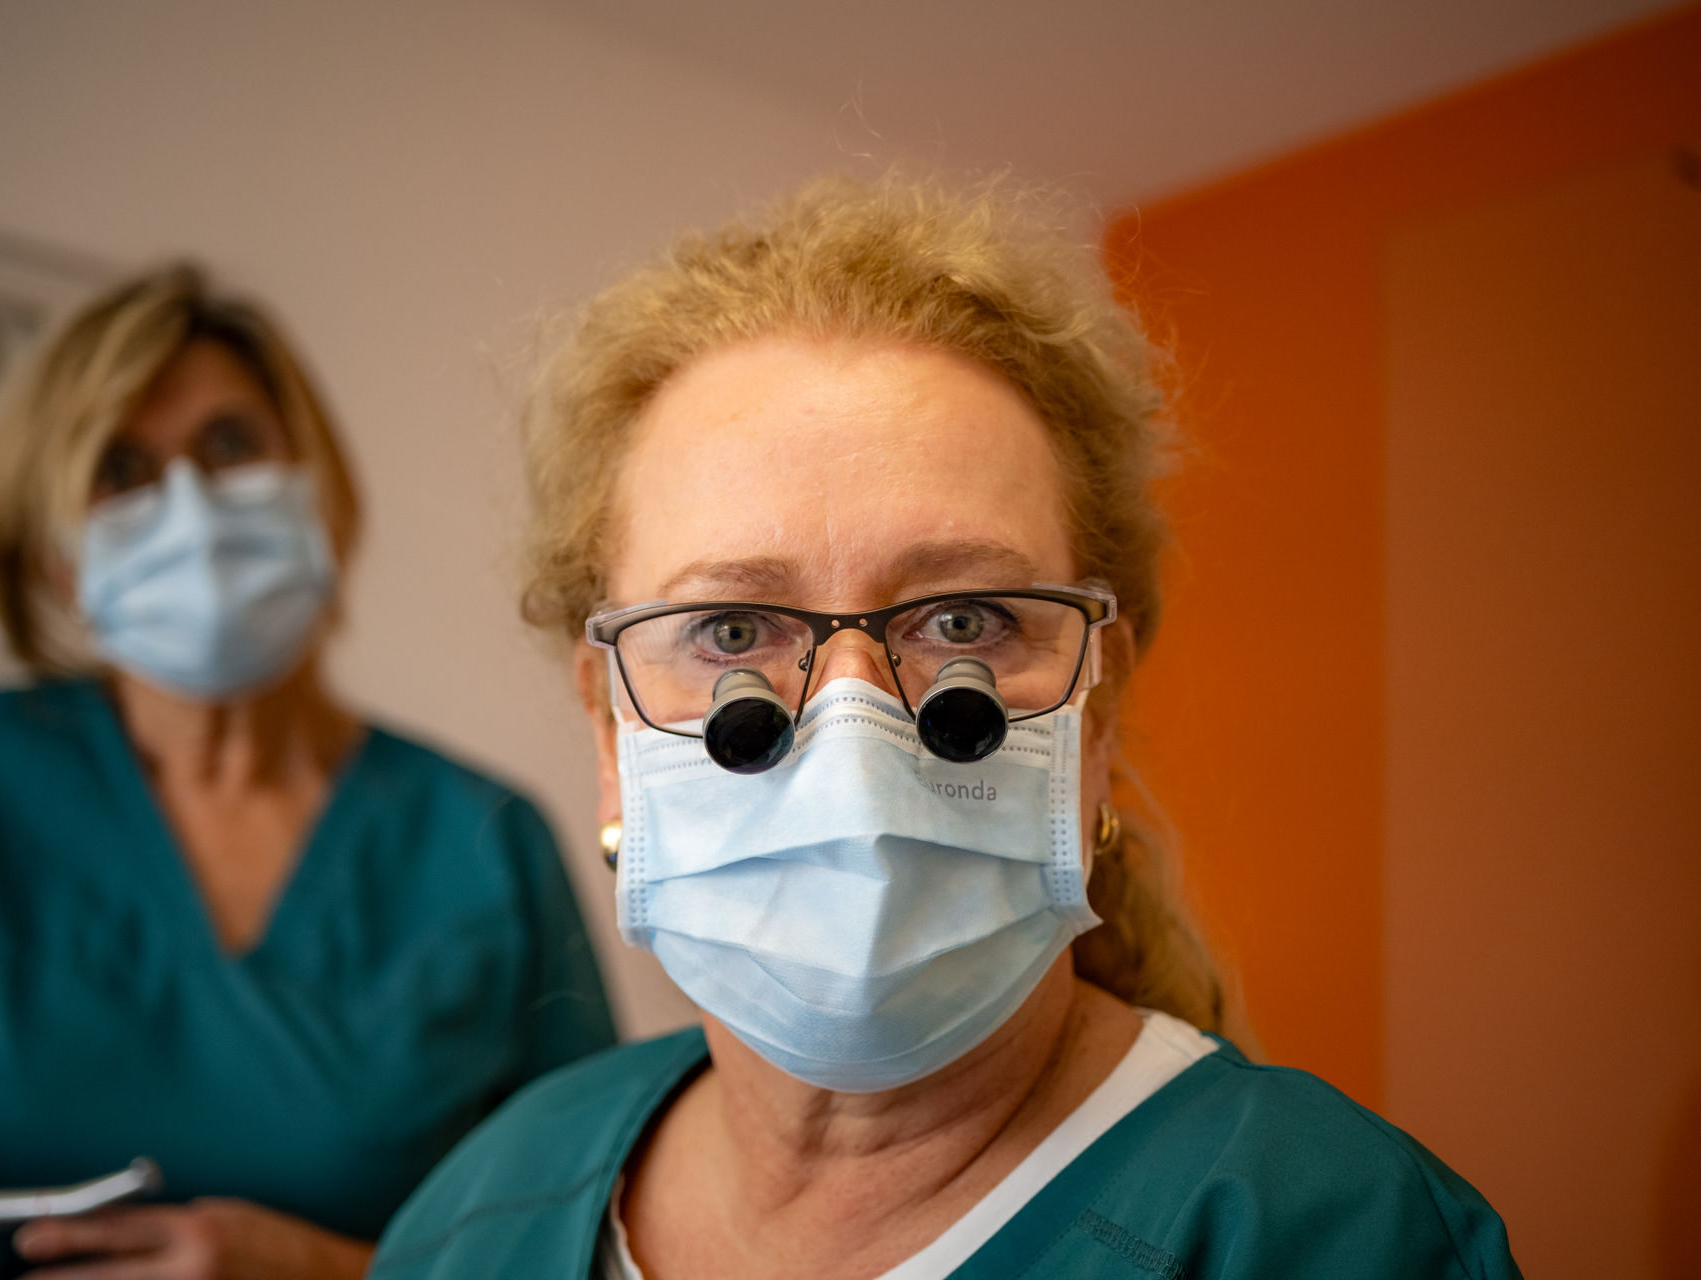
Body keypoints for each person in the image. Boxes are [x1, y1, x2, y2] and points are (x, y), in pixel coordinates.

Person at [365, 177, 1523, 1279]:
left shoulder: (1330, 1232)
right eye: (729, 632)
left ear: (1095, 706)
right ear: (611, 727)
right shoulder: (486, 1207)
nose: (852, 736)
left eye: (964, 618)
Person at [0, 266, 615, 1279]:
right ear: (58, 558)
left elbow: (586, 1239)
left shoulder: (483, 842)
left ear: (318, 487)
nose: (190, 506)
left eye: (229, 446)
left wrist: (321, 1268)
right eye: (121, 469)